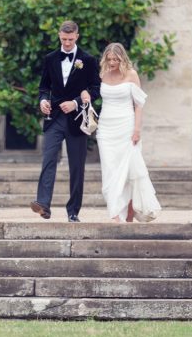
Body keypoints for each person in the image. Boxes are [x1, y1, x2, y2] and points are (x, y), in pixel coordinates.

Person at [31, 20, 100, 223]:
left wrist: (77, 102)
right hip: (54, 118)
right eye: (63, 39)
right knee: (48, 159)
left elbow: (95, 89)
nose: (67, 43)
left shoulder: (88, 60)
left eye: (70, 39)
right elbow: (44, 87)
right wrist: (43, 100)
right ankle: (43, 204)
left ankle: (73, 211)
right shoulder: (50, 58)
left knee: (77, 166)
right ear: (59, 36)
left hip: (77, 120)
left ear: (77, 36)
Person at [97, 42, 162, 223]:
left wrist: (137, 129)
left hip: (126, 126)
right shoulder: (102, 74)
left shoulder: (131, 75)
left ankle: (129, 215)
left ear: (122, 59)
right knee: (109, 171)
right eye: (109, 59)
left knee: (129, 171)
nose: (111, 63)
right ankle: (115, 213)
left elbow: (139, 105)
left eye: (115, 59)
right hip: (106, 127)